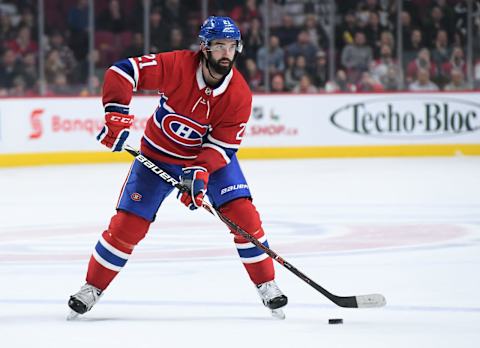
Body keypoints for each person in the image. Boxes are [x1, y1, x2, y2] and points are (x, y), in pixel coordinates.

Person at [67, 16, 288, 320]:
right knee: (126, 227)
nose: (226, 52)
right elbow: (122, 72)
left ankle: (267, 284)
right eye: (219, 45)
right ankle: (91, 288)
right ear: (205, 47)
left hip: (209, 161)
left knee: (245, 218)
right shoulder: (177, 66)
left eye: (231, 46)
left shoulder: (239, 95)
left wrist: (199, 173)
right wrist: (116, 116)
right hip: (157, 155)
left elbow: (222, 146)